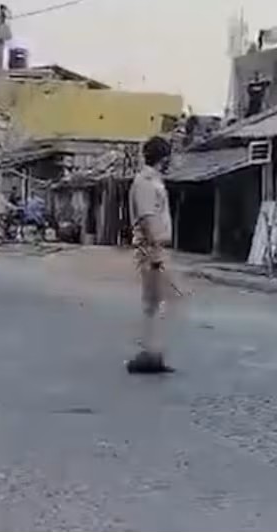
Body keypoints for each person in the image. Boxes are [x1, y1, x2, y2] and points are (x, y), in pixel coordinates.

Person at [127, 136, 178, 374]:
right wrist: (156, 251)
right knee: (153, 303)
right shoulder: (145, 183)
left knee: (157, 302)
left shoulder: (154, 181)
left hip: (156, 248)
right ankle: (149, 353)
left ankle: (153, 352)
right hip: (151, 249)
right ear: (164, 159)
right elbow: (147, 218)